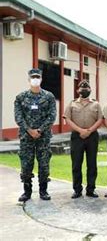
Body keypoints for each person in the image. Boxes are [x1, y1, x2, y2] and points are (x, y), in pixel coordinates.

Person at [14, 68, 57, 202]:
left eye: (37, 77)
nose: (35, 79)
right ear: (28, 79)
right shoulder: (21, 97)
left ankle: (43, 191)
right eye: (33, 77)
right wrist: (29, 130)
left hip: (43, 137)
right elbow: (18, 116)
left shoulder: (49, 96)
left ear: (41, 79)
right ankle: (27, 192)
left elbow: (52, 115)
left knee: (44, 164)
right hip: (26, 137)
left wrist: (39, 130)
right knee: (26, 164)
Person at [63, 80, 103, 199]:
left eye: (86, 88)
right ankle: (77, 190)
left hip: (92, 136)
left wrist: (89, 131)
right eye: (81, 88)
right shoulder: (72, 103)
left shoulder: (96, 104)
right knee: (76, 164)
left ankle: (91, 189)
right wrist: (81, 131)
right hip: (77, 137)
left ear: (90, 90)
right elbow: (68, 119)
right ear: (77, 90)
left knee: (91, 164)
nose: (84, 90)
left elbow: (100, 119)